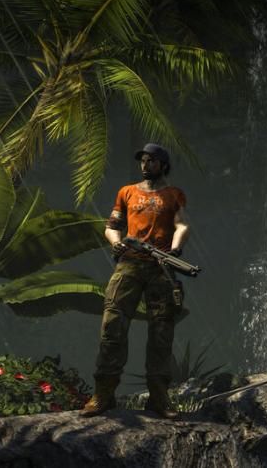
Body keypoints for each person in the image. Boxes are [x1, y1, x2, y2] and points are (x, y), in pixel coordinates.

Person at [80, 143, 190, 420]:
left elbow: (182, 224)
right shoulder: (127, 192)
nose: (145, 165)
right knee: (112, 326)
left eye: (151, 161)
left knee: (161, 333)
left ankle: (159, 397)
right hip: (129, 264)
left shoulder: (174, 194)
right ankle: (103, 394)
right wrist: (115, 244)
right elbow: (112, 225)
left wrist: (175, 249)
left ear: (163, 164)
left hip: (161, 268)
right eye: (143, 160)